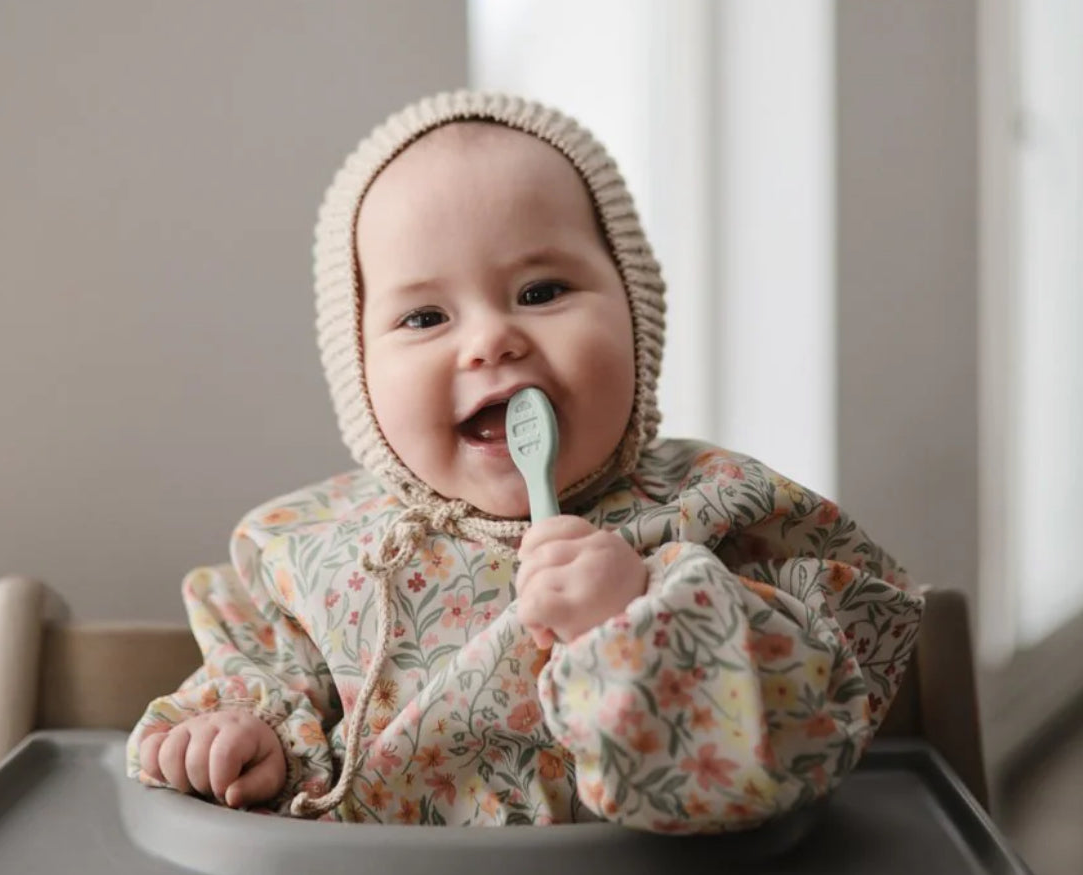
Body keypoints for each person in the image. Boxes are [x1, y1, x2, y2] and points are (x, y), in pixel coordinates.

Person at [126, 90, 923, 830]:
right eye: (426, 316)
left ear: (637, 313)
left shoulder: (725, 513)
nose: (490, 340)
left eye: (540, 292)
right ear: (358, 373)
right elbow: (263, 673)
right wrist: (248, 739)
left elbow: (789, 749)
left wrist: (641, 614)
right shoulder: (306, 548)